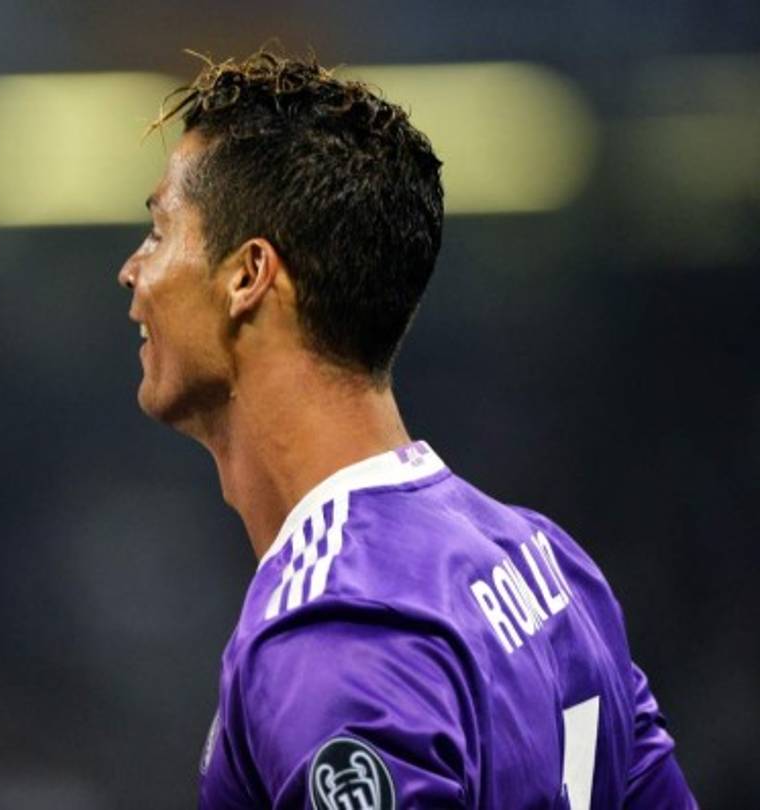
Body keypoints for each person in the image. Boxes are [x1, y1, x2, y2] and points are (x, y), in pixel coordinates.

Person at [118, 51, 696, 809]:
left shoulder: (336, 624)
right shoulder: (548, 563)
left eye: (160, 231)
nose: (134, 270)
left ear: (248, 276)